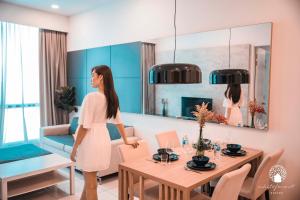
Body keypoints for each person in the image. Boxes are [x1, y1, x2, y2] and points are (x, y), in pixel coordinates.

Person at [70, 65, 138, 200]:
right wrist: (126, 140)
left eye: (93, 75)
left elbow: (84, 127)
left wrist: (75, 147)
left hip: (90, 142)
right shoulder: (112, 97)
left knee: (91, 186)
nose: (91, 79)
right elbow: (119, 122)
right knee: (89, 183)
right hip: (103, 140)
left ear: (101, 77)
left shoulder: (91, 97)